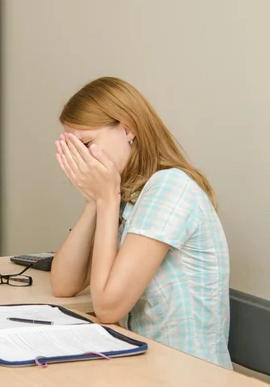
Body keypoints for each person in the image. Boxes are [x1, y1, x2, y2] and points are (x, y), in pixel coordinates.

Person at [51, 77, 231, 369]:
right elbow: (63, 284)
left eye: (86, 145)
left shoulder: (170, 187)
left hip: (189, 374)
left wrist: (107, 199)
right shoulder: (127, 192)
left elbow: (108, 307)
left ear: (128, 128)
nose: (81, 160)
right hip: (143, 365)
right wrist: (93, 202)